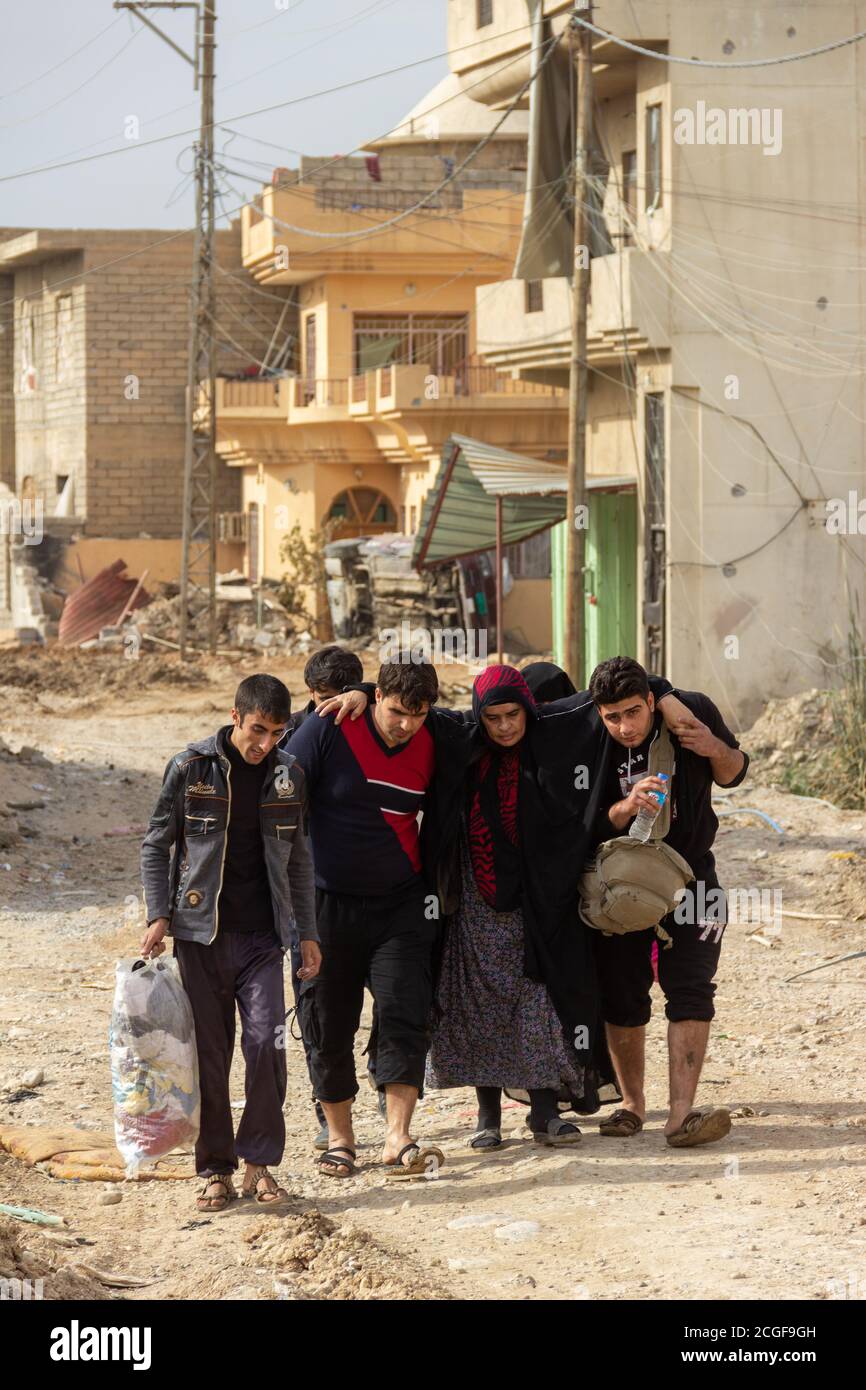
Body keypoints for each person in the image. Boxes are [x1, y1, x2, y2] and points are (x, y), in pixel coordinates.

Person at [322, 662, 694, 1150]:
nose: (503, 727)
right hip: (471, 897)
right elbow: (411, 706)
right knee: (477, 1001)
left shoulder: (551, 729)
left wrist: (662, 690)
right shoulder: (458, 733)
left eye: (512, 716)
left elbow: (598, 694)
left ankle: (544, 1110)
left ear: (526, 711)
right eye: (493, 717)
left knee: (536, 999)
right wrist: (364, 690)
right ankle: (487, 1113)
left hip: (537, 897)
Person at [139, 674, 320, 1212]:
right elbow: (156, 844)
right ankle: (215, 1168)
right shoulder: (191, 769)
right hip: (200, 937)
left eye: (277, 733)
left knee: (267, 1044)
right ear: (236, 717)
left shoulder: (290, 776)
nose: (265, 744)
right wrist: (158, 914)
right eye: (258, 730)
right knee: (210, 1056)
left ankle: (259, 1163)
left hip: (265, 938)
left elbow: (301, 861)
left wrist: (307, 933)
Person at [287, 660, 445, 1180]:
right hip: (324, 907)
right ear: (377, 696)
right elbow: (277, 795)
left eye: (418, 715)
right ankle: (340, 1138)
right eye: (397, 712)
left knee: (405, 1011)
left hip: (400, 904)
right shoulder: (329, 728)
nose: (406, 725)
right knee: (327, 1020)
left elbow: (521, 721)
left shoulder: (436, 736)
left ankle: (398, 1136)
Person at [588, 657, 748, 1147]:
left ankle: (680, 1118)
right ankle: (632, 1106)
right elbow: (585, 820)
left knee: (692, 988)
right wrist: (626, 805)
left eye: (633, 713)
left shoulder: (690, 713)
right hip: (621, 886)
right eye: (612, 716)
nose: (624, 726)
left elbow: (735, 772)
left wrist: (711, 745)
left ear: (652, 702)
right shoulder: (590, 737)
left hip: (693, 878)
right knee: (622, 992)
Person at [280, 644, 364, 1152]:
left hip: (375, 887)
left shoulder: (377, 724)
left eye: (341, 698)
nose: (329, 710)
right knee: (316, 1002)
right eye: (321, 700)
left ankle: (380, 1078)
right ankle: (323, 1103)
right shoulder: (291, 734)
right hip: (308, 889)